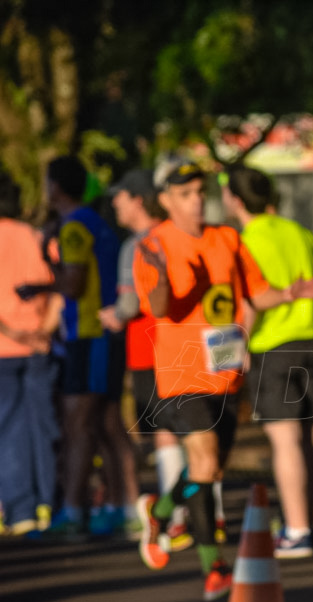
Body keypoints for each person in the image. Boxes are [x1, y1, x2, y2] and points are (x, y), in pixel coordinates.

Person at [133, 161, 313, 600]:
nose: (197, 199)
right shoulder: (155, 245)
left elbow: (257, 294)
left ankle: (160, 510)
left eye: (199, 191)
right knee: (203, 463)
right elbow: (161, 307)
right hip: (182, 372)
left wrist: (293, 292)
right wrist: (165, 277)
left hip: (226, 368)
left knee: (210, 467)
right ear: (165, 200)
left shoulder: (227, 238)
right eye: (185, 194)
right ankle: (213, 567)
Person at [221, 166, 313, 558]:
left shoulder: (244, 240)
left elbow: (251, 299)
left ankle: (298, 530)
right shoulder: (298, 231)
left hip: (272, 346)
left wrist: (233, 352)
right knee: (308, 433)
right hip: (307, 340)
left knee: (284, 440)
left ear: (234, 199)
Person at [100, 168, 192, 549]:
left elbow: (130, 302)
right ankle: (207, 514)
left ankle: (177, 519)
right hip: (190, 348)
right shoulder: (180, 236)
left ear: (138, 199)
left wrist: (110, 316)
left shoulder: (137, 244)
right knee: (199, 431)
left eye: (119, 198)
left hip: (148, 350)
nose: (114, 205)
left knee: (164, 432)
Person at [43, 155, 123, 536]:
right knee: (105, 423)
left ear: (55, 188)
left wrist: (42, 281)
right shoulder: (95, 221)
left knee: (80, 422)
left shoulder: (74, 228)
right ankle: (119, 504)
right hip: (99, 333)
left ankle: (74, 511)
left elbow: (73, 283)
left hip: (88, 333)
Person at [0, 169, 61, 535]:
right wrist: (44, 329)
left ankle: (20, 508)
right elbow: (60, 285)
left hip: (4, 348)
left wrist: (12, 330)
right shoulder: (33, 236)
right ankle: (47, 504)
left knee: (8, 428)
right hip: (39, 346)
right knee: (43, 425)